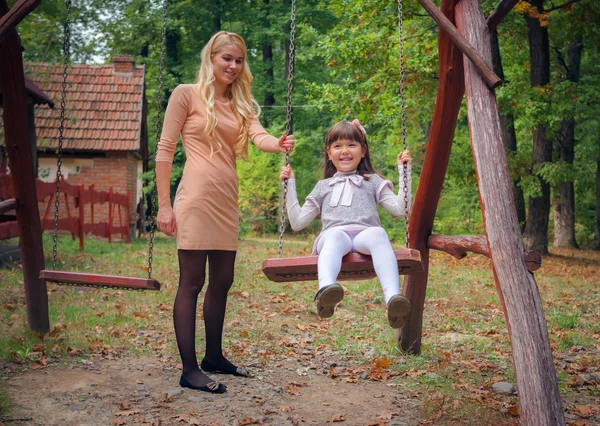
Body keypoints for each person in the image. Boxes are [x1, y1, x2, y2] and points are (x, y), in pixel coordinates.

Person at [155, 31, 294, 394]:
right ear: (211, 58)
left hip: (226, 199)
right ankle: (189, 369)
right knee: (192, 282)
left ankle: (213, 356)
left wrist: (277, 144)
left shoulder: (240, 103)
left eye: (239, 60)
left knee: (223, 281)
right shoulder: (186, 94)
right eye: (226, 59)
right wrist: (165, 205)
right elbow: (165, 150)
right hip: (196, 198)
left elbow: (258, 135)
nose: (233, 66)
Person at [279, 119, 411, 328]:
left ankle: (394, 300)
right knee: (335, 236)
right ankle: (327, 292)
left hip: (363, 235)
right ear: (329, 153)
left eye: (351, 145)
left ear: (363, 150)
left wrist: (404, 172)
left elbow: (400, 209)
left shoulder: (372, 181)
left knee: (378, 233)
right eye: (338, 146)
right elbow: (297, 222)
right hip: (334, 236)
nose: (345, 151)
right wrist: (290, 185)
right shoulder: (323, 186)